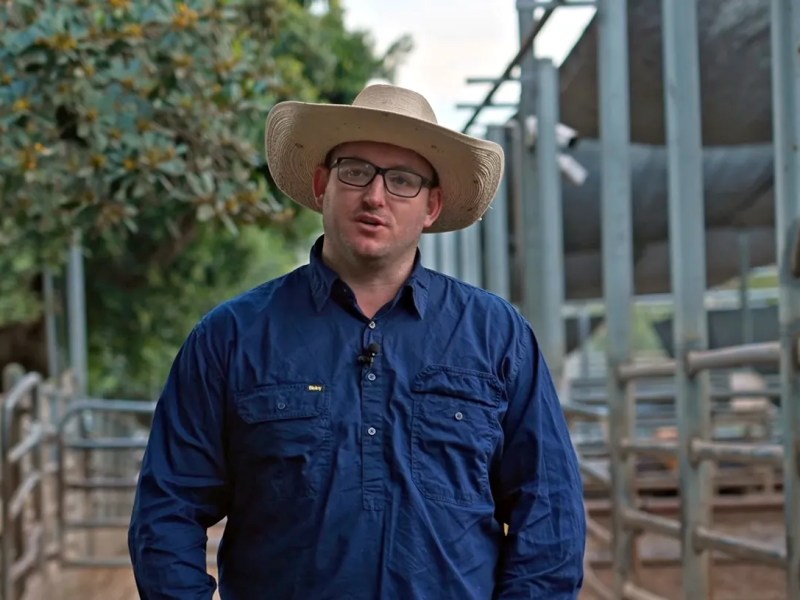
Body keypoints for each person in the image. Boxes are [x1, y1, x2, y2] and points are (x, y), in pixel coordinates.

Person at [128, 83, 586, 599]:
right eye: (355, 172)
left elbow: (549, 515)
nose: (375, 195)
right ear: (323, 184)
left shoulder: (496, 336)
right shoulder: (232, 337)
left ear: (432, 205)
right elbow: (168, 510)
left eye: (403, 180)